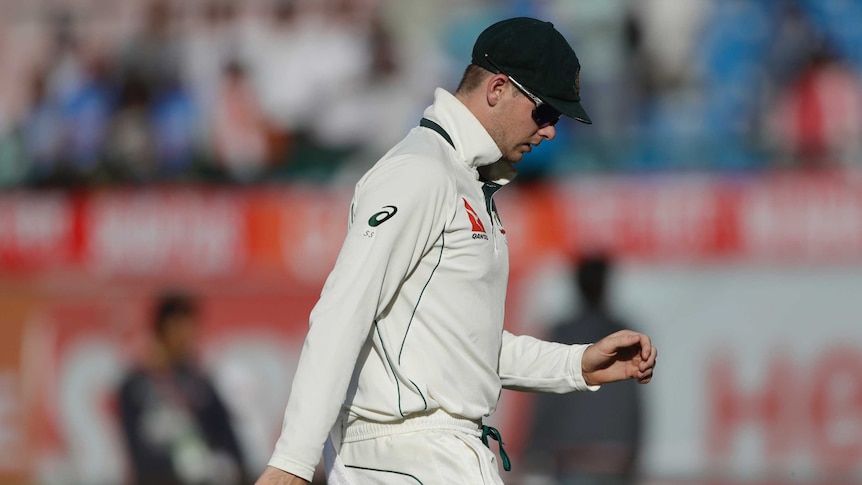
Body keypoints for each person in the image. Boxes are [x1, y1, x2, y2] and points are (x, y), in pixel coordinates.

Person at [256, 17, 658, 485]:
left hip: (434, 456)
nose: (550, 132)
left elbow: (464, 345)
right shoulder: (419, 172)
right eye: (545, 113)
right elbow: (342, 313)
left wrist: (575, 365)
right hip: (406, 456)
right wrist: (293, 460)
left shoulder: (465, 181)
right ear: (498, 90)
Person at [524, 253, 643, 485]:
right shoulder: (625, 334)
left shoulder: (564, 333)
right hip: (616, 457)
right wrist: (634, 449)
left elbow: (546, 395)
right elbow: (635, 402)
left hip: (573, 455)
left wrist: (535, 447)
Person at [117, 290, 249, 485]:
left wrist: (220, 464)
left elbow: (230, 441)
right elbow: (137, 451)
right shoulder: (135, 387)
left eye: (191, 329)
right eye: (180, 328)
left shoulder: (200, 383)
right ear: (163, 329)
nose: (187, 337)